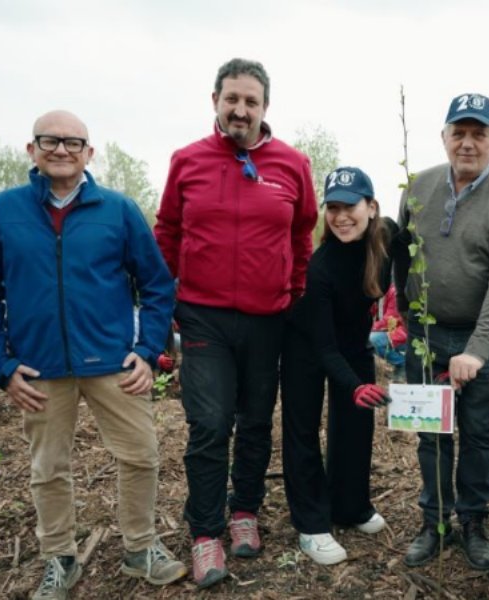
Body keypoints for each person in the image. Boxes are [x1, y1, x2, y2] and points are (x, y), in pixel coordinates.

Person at [0, 110, 185, 599]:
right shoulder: (3, 210)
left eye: (73, 142)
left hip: (112, 362)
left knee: (141, 455)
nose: (61, 150)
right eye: (50, 141)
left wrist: (146, 351)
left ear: (89, 152)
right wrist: (2, 366)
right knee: (47, 468)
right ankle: (59, 558)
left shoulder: (118, 210)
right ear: (31, 150)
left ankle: (140, 548)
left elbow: (158, 285)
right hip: (39, 368)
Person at [154, 58, 318, 587]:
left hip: (267, 318)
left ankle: (244, 508)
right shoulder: (188, 161)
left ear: (265, 108)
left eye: (251, 101)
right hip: (202, 316)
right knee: (209, 423)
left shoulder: (293, 165)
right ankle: (206, 534)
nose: (240, 109)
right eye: (232, 99)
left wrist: (295, 295)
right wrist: (161, 309)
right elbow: (168, 234)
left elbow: (302, 236)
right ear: (215, 102)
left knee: (254, 420)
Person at [394, 93, 489, 571]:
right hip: (426, 333)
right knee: (430, 432)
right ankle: (434, 520)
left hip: (483, 338)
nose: (469, 143)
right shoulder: (419, 186)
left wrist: (476, 350)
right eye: (460, 132)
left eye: (480, 134)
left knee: (477, 432)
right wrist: (405, 317)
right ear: (444, 137)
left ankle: (473, 521)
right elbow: (402, 256)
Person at [281, 167, 395, 565]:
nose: (341, 216)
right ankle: (312, 524)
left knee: (356, 423)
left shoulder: (387, 239)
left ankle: (351, 506)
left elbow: (417, 261)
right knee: (303, 428)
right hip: (307, 343)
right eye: (333, 207)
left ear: (372, 206)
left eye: (350, 206)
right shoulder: (321, 267)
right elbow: (324, 348)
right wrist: (353, 384)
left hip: (353, 341)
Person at [369, 283, 407, 380]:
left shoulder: (393, 292)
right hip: (392, 331)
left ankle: (403, 363)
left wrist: (368, 328)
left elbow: (389, 321)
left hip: (401, 334)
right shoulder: (378, 295)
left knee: (372, 340)